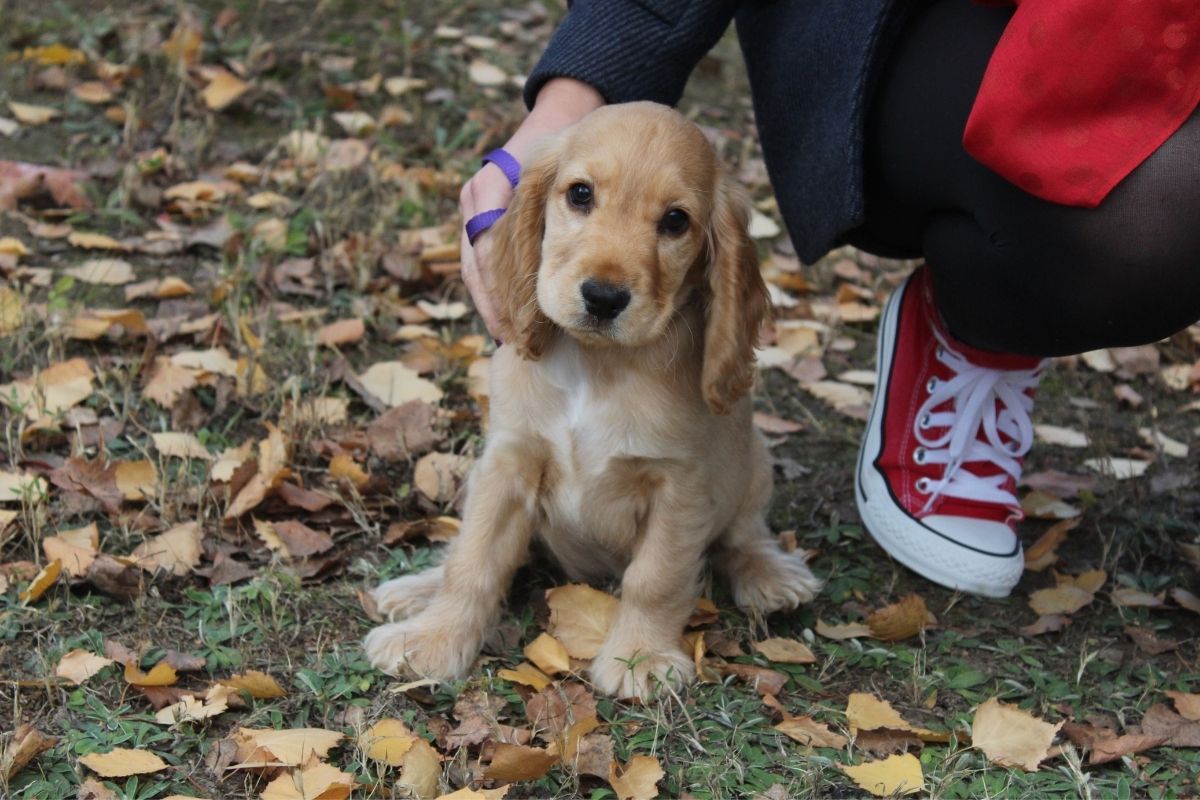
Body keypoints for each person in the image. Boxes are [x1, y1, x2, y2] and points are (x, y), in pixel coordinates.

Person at [458, 0, 1200, 598]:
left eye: (675, 223)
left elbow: (701, 457)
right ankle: (977, 327)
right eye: (580, 197)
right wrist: (560, 113)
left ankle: (967, 331)